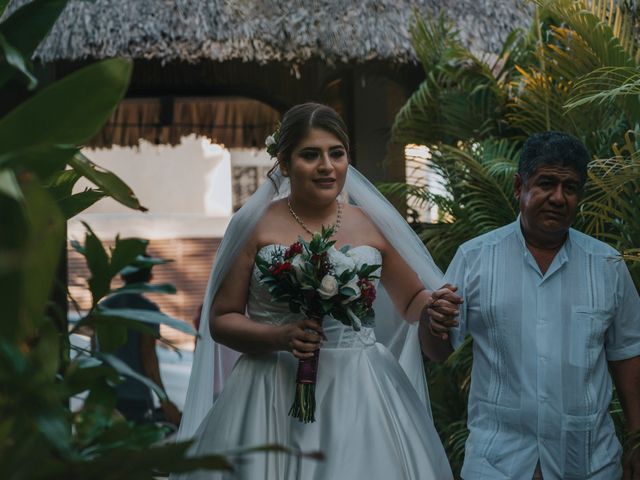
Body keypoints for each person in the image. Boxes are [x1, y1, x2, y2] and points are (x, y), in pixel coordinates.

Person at [172, 103, 460, 479]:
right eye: (310, 155)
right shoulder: (253, 225)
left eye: (336, 153)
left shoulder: (372, 224)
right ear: (285, 163)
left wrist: (431, 309)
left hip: (360, 389)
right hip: (270, 389)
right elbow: (221, 319)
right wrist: (279, 336)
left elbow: (410, 301)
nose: (327, 166)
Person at [423, 131, 640, 479]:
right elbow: (437, 350)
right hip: (497, 463)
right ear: (518, 186)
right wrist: (432, 321)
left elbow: (629, 358)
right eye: (546, 183)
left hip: (588, 463)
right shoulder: (475, 259)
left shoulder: (607, 266)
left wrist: (637, 438)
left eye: (569, 187)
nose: (558, 197)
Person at [99, 255, 182, 426]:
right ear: (149, 277)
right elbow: (148, 356)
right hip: (135, 396)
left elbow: (97, 350)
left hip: (105, 395)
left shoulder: (104, 306)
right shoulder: (148, 310)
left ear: (122, 275)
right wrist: (164, 400)